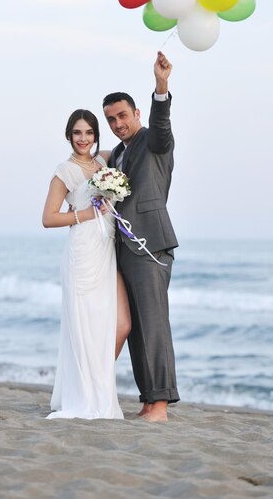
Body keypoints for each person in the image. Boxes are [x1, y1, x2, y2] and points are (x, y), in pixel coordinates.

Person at [102, 51, 180, 423]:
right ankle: (148, 401)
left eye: (122, 116)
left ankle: (161, 406)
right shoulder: (117, 153)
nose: (117, 123)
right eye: (111, 119)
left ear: (135, 114)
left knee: (154, 324)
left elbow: (162, 127)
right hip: (123, 249)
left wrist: (161, 87)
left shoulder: (152, 140)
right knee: (134, 329)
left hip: (150, 245)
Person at [41, 109, 130, 419]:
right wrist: (85, 214)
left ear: (96, 136)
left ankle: (98, 387)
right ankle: (85, 395)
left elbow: (127, 147)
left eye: (89, 133)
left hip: (105, 250)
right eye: (77, 133)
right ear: (69, 135)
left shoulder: (104, 163)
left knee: (118, 325)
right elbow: (48, 218)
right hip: (81, 251)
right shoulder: (64, 171)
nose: (83, 138)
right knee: (84, 327)